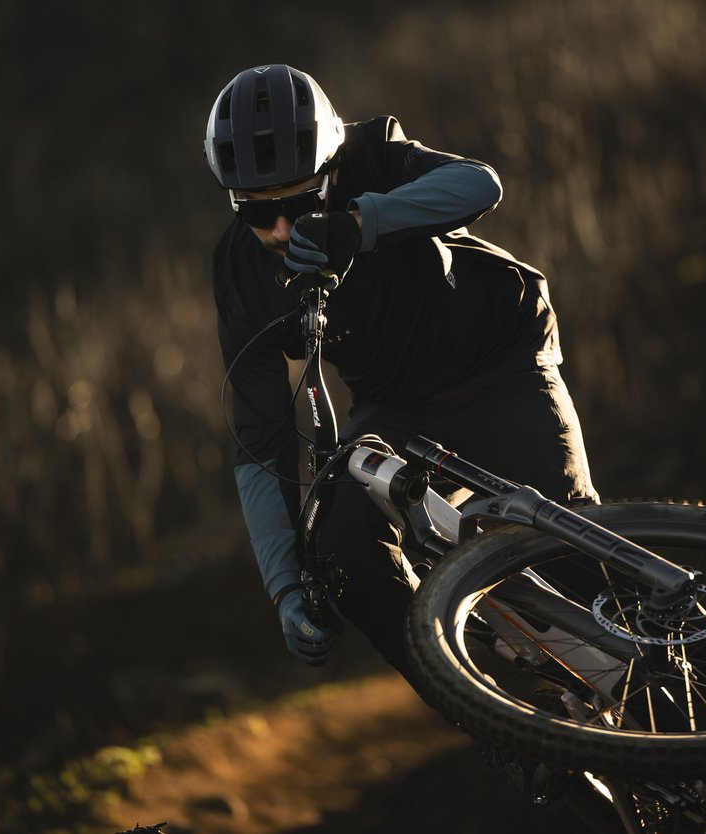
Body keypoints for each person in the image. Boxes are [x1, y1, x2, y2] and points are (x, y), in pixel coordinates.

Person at [204, 64, 597, 680]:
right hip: (394, 404)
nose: (279, 230)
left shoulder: (373, 154)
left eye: (301, 203)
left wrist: (359, 226)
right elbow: (260, 444)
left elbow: (478, 185)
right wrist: (284, 586)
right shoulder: (239, 272)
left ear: (331, 171)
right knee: (345, 559)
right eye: (257, 213)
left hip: (497, 359)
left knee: (569, 545)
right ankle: (495, 721)